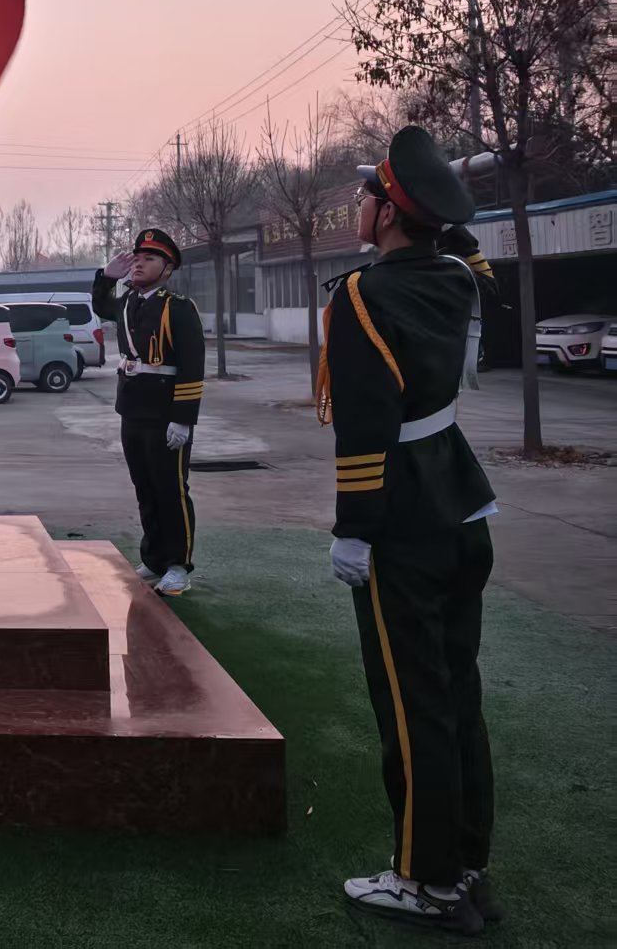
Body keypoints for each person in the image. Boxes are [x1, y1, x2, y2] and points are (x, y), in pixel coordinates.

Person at [319, 127, 500, 934]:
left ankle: (427, 880)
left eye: (369, 195)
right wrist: (442, 207)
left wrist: (354, 528)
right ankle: (466, 860)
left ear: (389, 214)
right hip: (462, 504)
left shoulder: (362, 296)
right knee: (458, 692)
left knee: (412, 703)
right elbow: (474, 262)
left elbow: (364, 422)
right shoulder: (458, 278)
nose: (359, 206)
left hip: (402, 518)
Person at [91, 228, 206, 596]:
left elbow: (192, 366)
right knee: (145, 487)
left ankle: (178, 565)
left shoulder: (179, 308)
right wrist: (105, 277)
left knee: (170, 488)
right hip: (133, 408)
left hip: (165, 411)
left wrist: (183, 419)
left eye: (150, 259)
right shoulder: (128, 303)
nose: (139, 264)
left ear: (167, 269)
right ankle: (154, 558)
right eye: (137, 258)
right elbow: (100, 306)